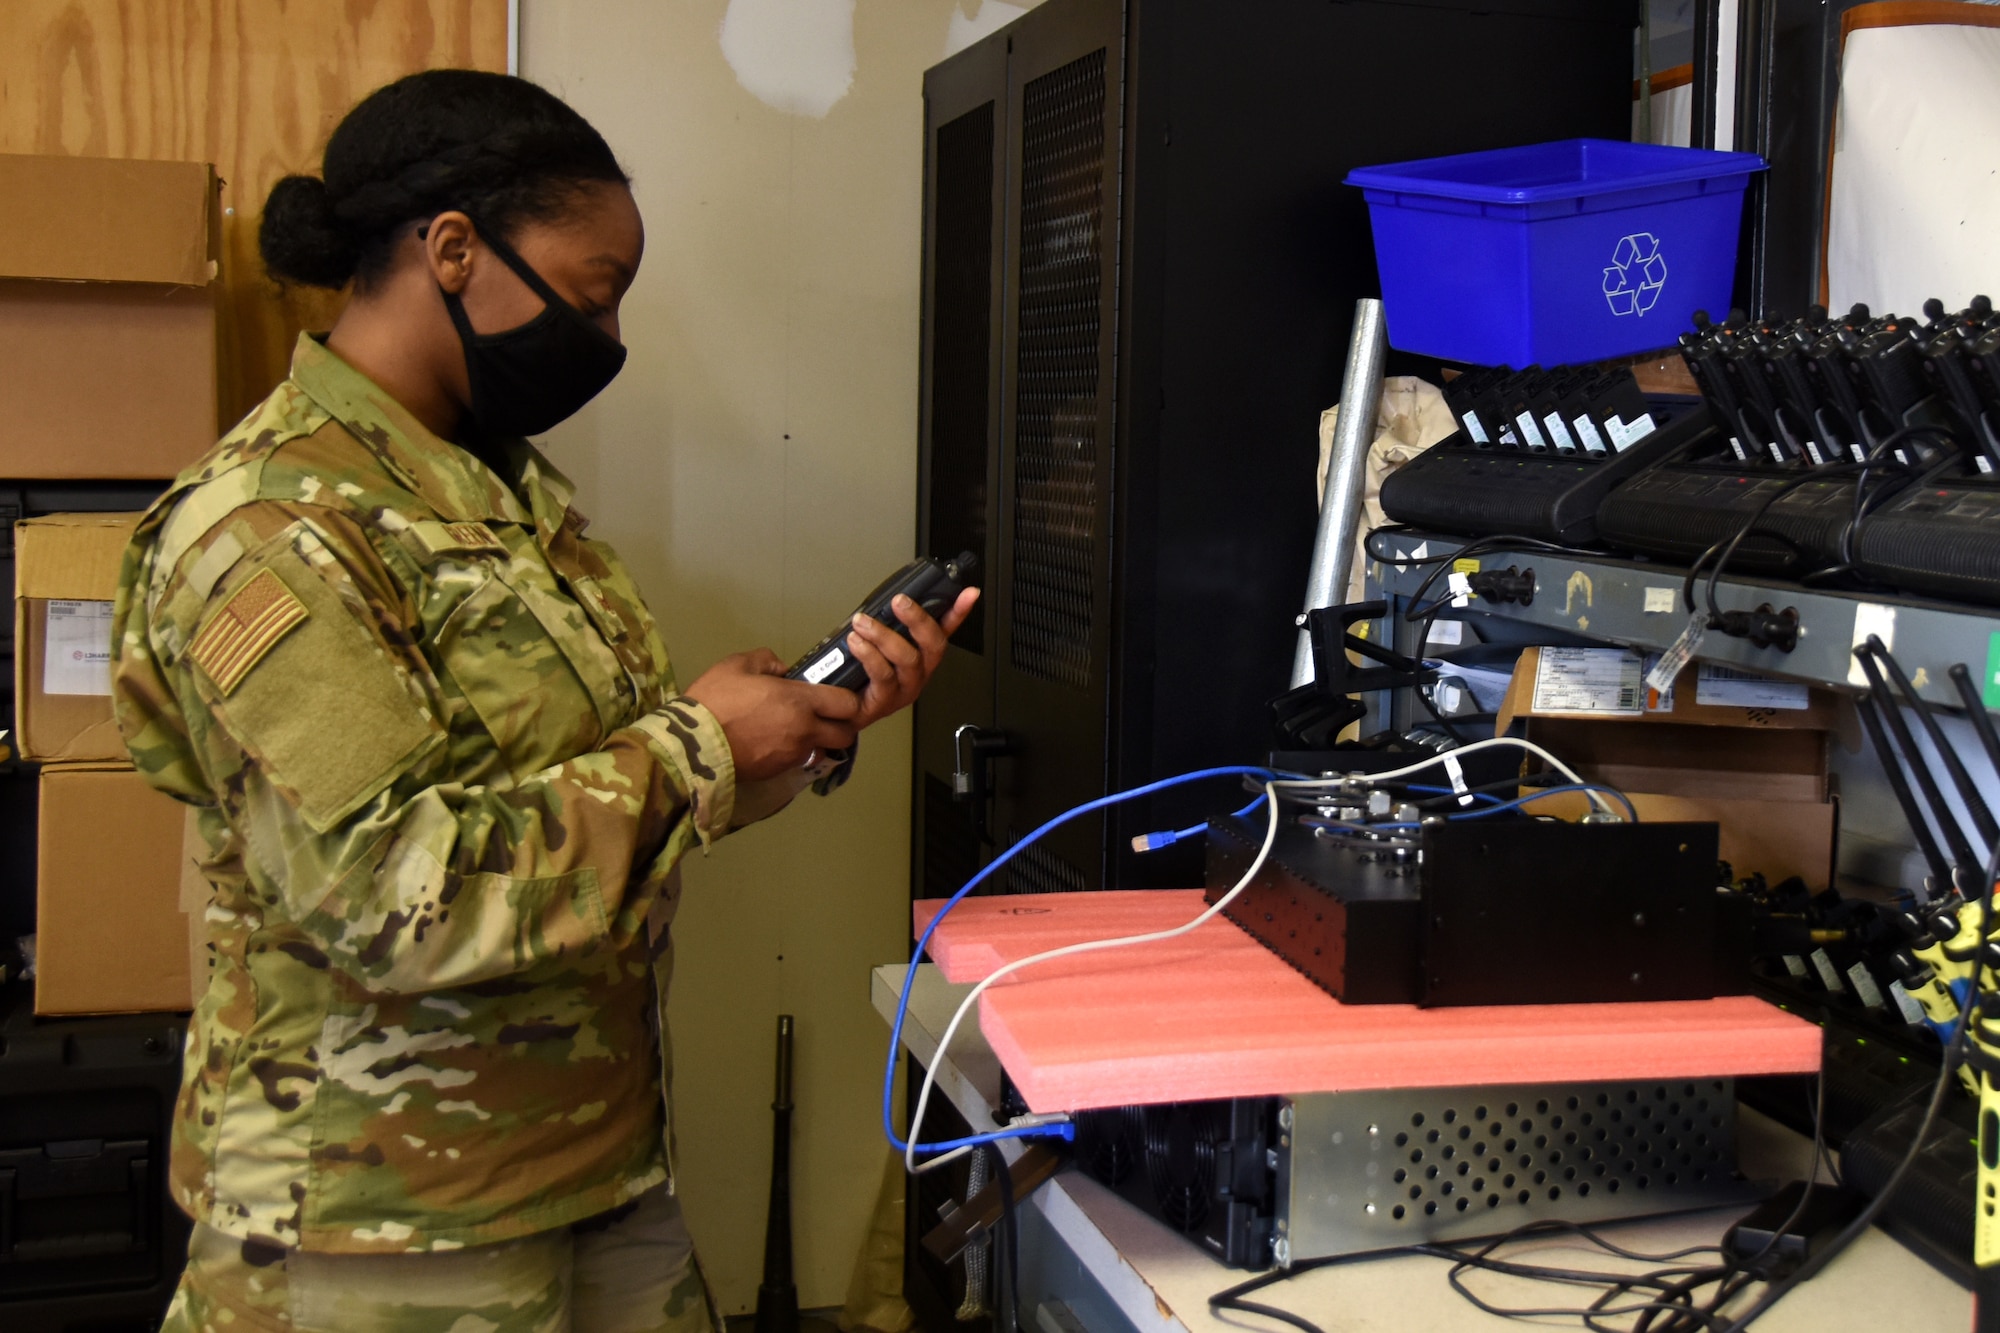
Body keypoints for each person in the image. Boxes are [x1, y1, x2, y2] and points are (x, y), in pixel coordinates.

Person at [110, 69, 974, 1333]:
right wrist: (694, 749)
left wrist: (786, 735)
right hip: (386, 1224)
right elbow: (390, 896)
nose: (610, 340)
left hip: (591, 1168)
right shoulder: (273, 529)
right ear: (452, 248)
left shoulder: (500, 499)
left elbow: (572, 806)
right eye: (592, 293)